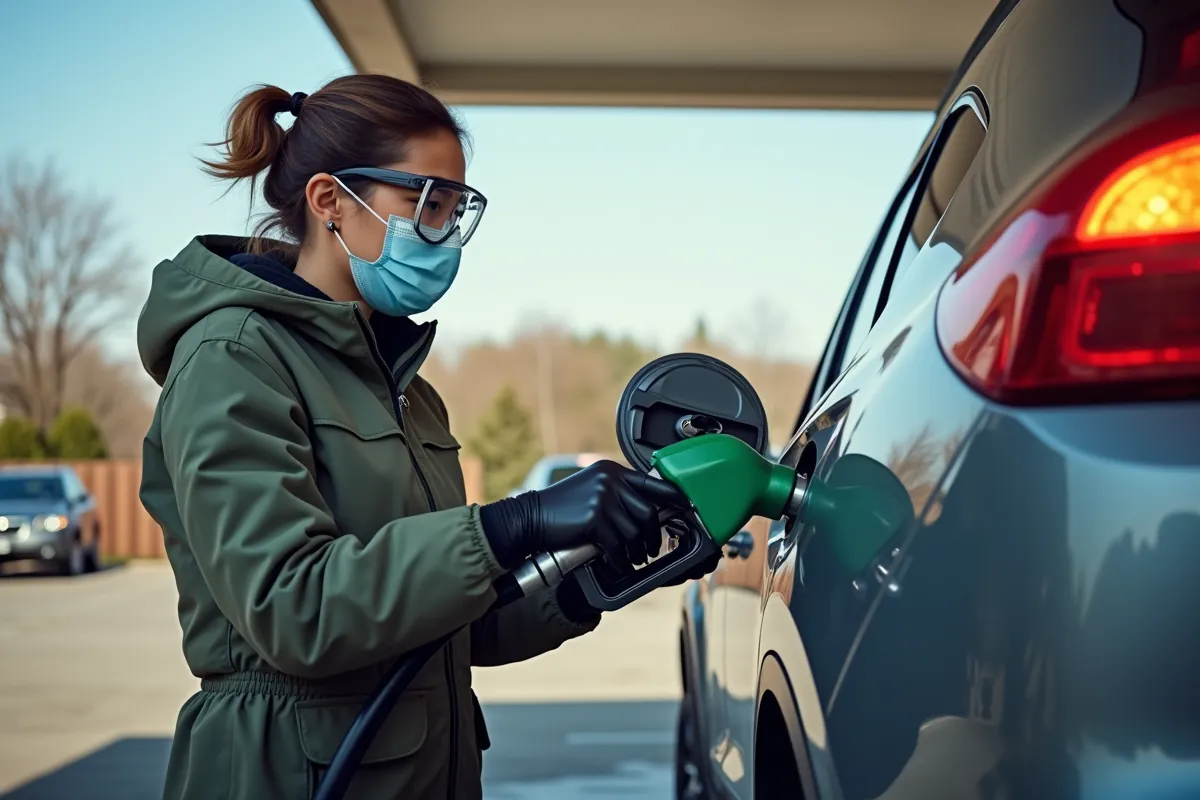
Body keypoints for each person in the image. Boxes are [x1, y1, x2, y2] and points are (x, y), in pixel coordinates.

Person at [136, 74, 719, 800]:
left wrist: (603, 574)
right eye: (426, 204)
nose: (443, 233)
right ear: (330, 203)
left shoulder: (405, 387)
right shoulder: (234, 358)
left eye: (455, 208)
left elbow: (447, 625)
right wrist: (517, 522)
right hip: (283, 773)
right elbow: (293, 606)